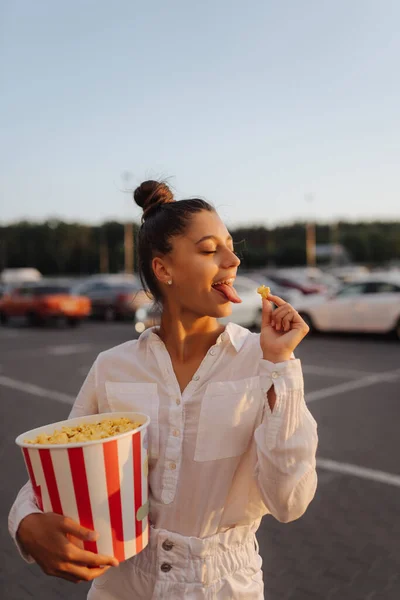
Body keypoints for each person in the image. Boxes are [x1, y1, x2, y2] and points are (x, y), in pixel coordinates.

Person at [9, 180, 318, 599]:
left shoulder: (262, 360)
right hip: (121, 585)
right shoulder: (114, 366)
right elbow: (62, 464)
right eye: (211, 250)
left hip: (224, 587)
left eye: (230, 246)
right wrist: (24, 521)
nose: (234, 259)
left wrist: (280, 365)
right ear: (164, 269)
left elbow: (289, 502)